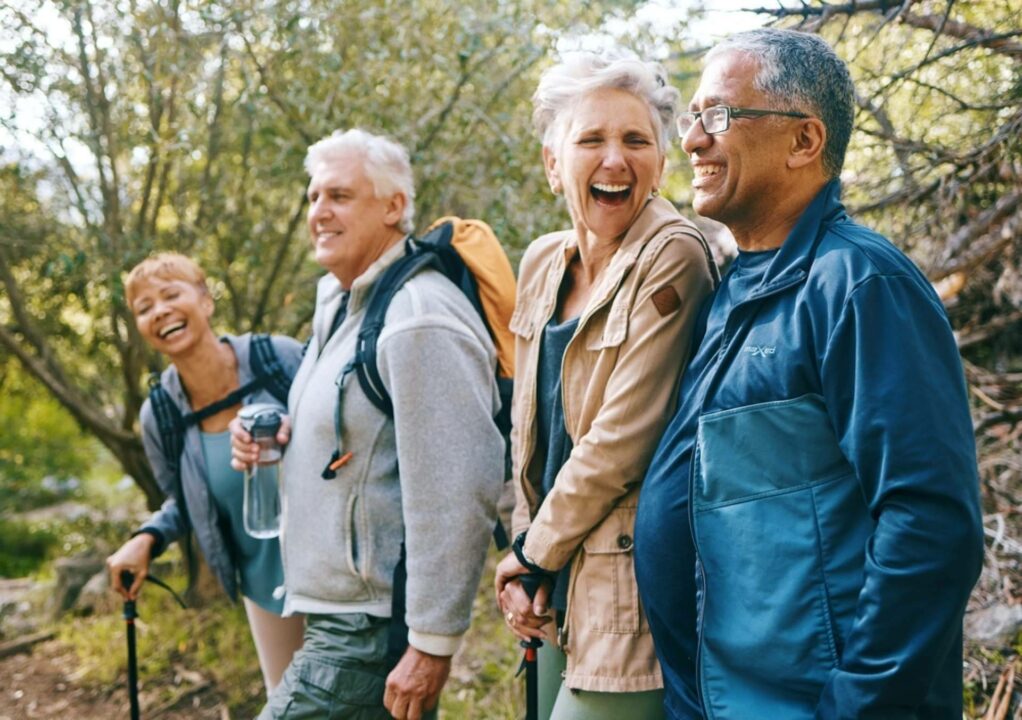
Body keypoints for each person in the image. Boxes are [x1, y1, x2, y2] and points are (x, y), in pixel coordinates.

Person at [634, 28, 985, 720]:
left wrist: (855, 707)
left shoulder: (858, 284)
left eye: (720, 116)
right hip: (717, 702)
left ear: (804, 142)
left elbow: (931, 523)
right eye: (692, 117)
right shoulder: (734, 289)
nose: (695, 140)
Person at [230, 128, 505, 720]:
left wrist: (430, 644)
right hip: (334, 614)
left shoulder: (417, 316)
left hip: (367, 630)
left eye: (339, 196)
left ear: (394, 206)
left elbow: (460, 487)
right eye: (312, 197)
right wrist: (283, 430)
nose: (319, 212)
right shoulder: (342, 302)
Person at [493, 52, 716, 719]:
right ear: (553, 163)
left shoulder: (674, 254)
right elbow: (526, 431)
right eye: (590, 139)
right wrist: (525, 554)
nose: (614, 159)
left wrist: (531, 552)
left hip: (628, 590)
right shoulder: (540, 261)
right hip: (551, 571)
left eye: (636, 140)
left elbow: (623, 440)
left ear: (662, 163)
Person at [105, 253, 305, 694]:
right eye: (144, 308)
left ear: (206, 301)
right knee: (290, 703)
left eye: (171, 295)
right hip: (264, 586)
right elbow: (185, 500)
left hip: (337, 568)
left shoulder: (279, 358)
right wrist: (147, 538)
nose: (159, 311)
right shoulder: (160, 414)